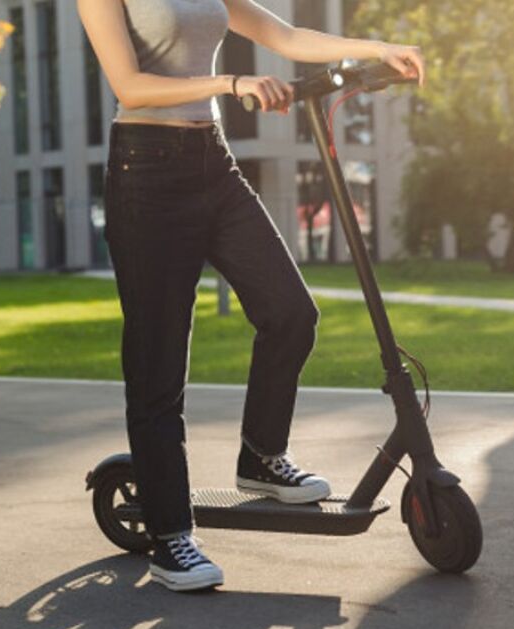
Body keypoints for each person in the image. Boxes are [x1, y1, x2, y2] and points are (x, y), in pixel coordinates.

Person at [77, 0, 424, 592]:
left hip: (213, 162)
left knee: (291, 313)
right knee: (158, 364)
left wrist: (373, 51)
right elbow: (129, 85)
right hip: (146, 172)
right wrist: (230, 82)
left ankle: (261, 457)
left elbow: (283, 35)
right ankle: (170, 537)